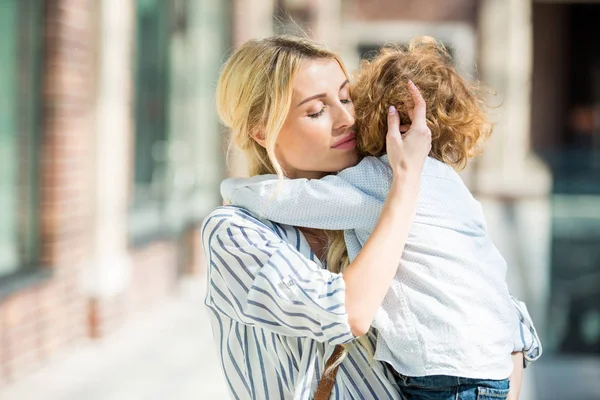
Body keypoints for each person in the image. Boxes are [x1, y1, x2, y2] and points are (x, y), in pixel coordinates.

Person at [220, 36, 541, 400]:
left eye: (346, 99)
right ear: (262, 130)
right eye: (316, 110)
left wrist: (235, 187)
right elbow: (348, 313)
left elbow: (510, 314)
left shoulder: (378, 185)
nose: (345, 119)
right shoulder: (234, 230)